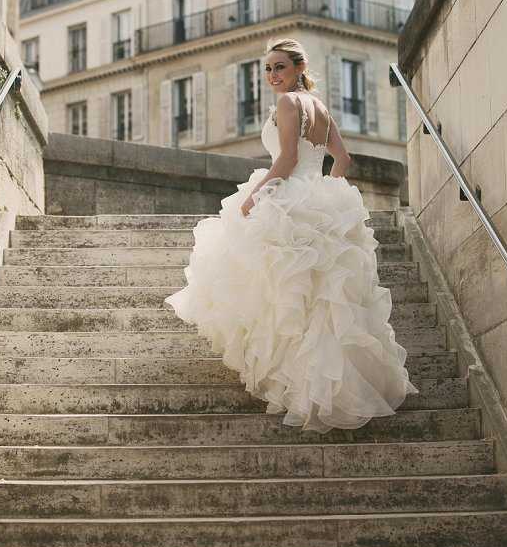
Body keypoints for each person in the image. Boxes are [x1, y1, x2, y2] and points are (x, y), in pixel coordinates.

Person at [164, 37, 419, 433]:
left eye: (279, 67)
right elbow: (343, 160)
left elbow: (287, 158)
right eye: (267, 69)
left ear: (299, 68)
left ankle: (301, 388)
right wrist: (325, 192)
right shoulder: (320, 107)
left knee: (288, 297)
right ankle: (323, 388)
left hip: (289, 197)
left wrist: (254, 196)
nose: (272, 75)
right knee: (320, 302)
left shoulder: (288, 104)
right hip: (317, 197)